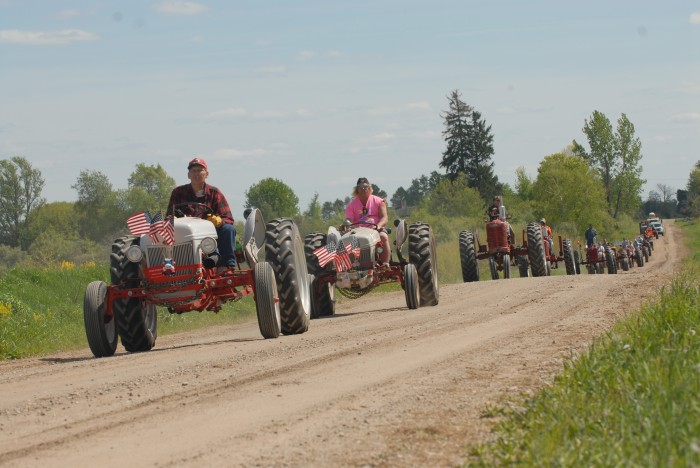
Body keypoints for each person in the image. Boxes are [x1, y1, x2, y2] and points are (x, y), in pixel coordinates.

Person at [166, 157, 237, 270]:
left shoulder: (215, 193)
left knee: (228, 229)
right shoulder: (178, 192)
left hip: (210, 235)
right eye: (193, 171)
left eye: (200, 170)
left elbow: (229, 219)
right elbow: (169, 216)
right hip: (185, 234)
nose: (196, 174)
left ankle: (226, 266)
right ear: (188, 175)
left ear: (207, 174)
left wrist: (219, 221)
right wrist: (172, 218)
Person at [345, 177, 391, 265]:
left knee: (383, 236)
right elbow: (349, 220)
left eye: (365, 187)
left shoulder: (379, 201)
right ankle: (353, 265)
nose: (363, 189)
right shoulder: (351, 206)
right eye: (360, 187)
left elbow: (384, 218)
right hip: (358, 231)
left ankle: (385, 264)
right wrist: (348, 226)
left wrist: (378, 226)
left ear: (369, 188)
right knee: (348, 240)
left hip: (376, 229)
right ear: (357, 189)